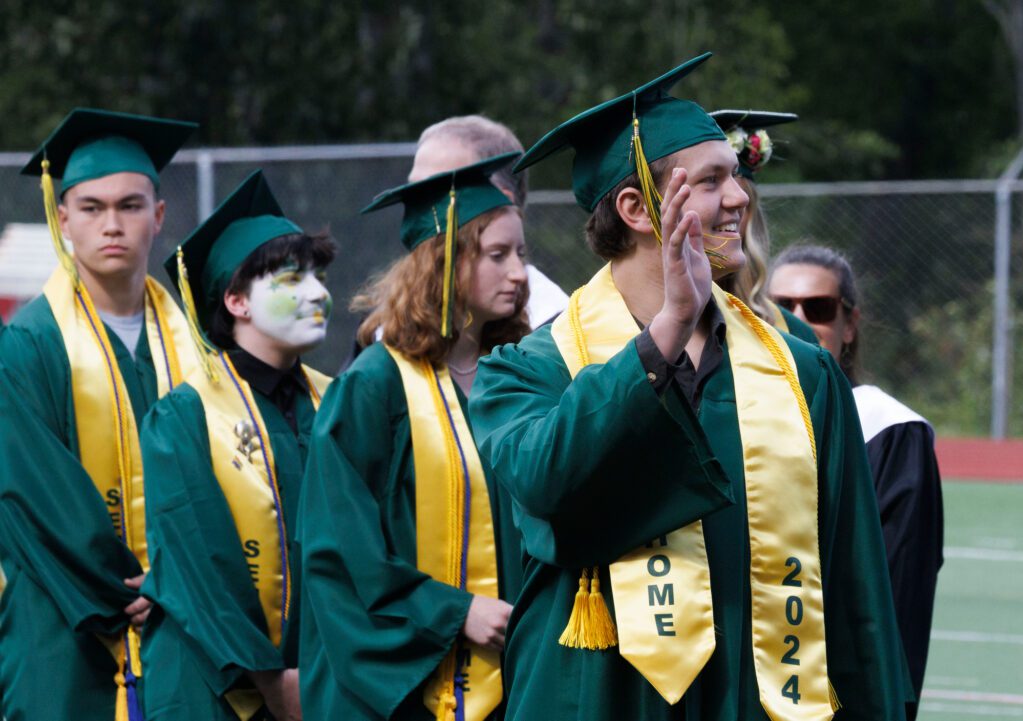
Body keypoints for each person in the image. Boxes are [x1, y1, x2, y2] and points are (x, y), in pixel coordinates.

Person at [469, 54, 910, 720]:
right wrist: (665, 333)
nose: (739, 197)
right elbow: (545, 479)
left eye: (735, 176)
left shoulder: (802, 375)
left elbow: (856, 592)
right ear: (635, 207)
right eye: (711, 181)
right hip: (601, 700)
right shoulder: (529, 370)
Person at [298, 153, 530, 720]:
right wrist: (453, 611)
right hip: (408, 690)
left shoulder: (519, 373)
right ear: (444, 263)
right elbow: (340, 551)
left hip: (515, 674)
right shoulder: (376, 386)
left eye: (521, 253)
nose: (520, 273)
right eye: (497, 255)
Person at [0, 108, 200, 720]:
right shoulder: (28, 343)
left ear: (159, 215)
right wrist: (133, 586)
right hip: (63, 628)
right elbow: (34, 497)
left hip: (186, 622)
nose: (111, 224)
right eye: (91, 208)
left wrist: (179, 578)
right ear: (62, 219)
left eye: (131, 205)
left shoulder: (197, 346)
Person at [139, 170, 335, 721]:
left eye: (318, 275)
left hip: (324, 677)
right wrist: (272, 680)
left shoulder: (339, 403)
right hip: (210, 685)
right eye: (293, 279)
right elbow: (199, 561)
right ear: (236, 301)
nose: (319, 292)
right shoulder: (184, 415)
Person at [768, 244, 943, 721]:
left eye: (818, 309)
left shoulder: (889, 431)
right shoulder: (739, 415)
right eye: (779, 306)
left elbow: (898, 599)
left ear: (850, 324)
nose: (796, 319)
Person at [411, 115, 569, 328]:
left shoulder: (556, 333)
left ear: (500, 204)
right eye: (413, 191)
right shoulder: (387, 327)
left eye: (440, 192)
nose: (417, 208)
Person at [709, 109, 817, 345]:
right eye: (711, 189)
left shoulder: (792, 333)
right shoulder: (635, 323)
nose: (733, 206)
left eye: (743, 204)